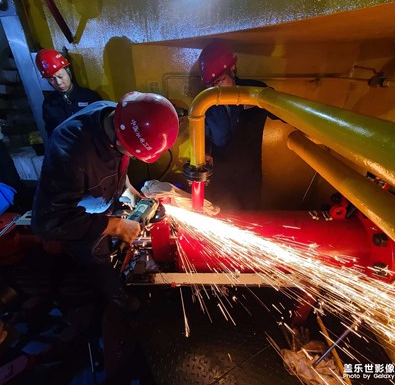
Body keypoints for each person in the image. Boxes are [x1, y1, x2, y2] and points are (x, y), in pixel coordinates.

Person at [31, 91, 179, 298]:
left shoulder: (118, 115)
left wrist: (131, 193)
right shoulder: (70, 150)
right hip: (80, 224)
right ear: (120, 142)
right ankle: (113, 298)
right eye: (132, 154)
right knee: (100, 265)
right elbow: (47, 222)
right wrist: (115, 226)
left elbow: (116, 164)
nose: (131, 157)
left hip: (106, 205)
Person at [198, 40, 279, 211]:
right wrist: (204, 152)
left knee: (250, 219)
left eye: (220, 80)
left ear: (233, 68)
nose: (216, 88)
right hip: (220, 178)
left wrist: (308, 129)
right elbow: (202, 134)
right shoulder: (205, 101)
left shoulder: (256, 91)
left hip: (248, 178)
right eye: (211, 85)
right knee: (221, 219)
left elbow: (283, 112)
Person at [35, 49, 102, 137]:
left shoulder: (89, 97)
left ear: (68, 72)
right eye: (51, 79)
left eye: (60, 76)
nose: (58, 82)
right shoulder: (49, 104)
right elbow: (52, 136)